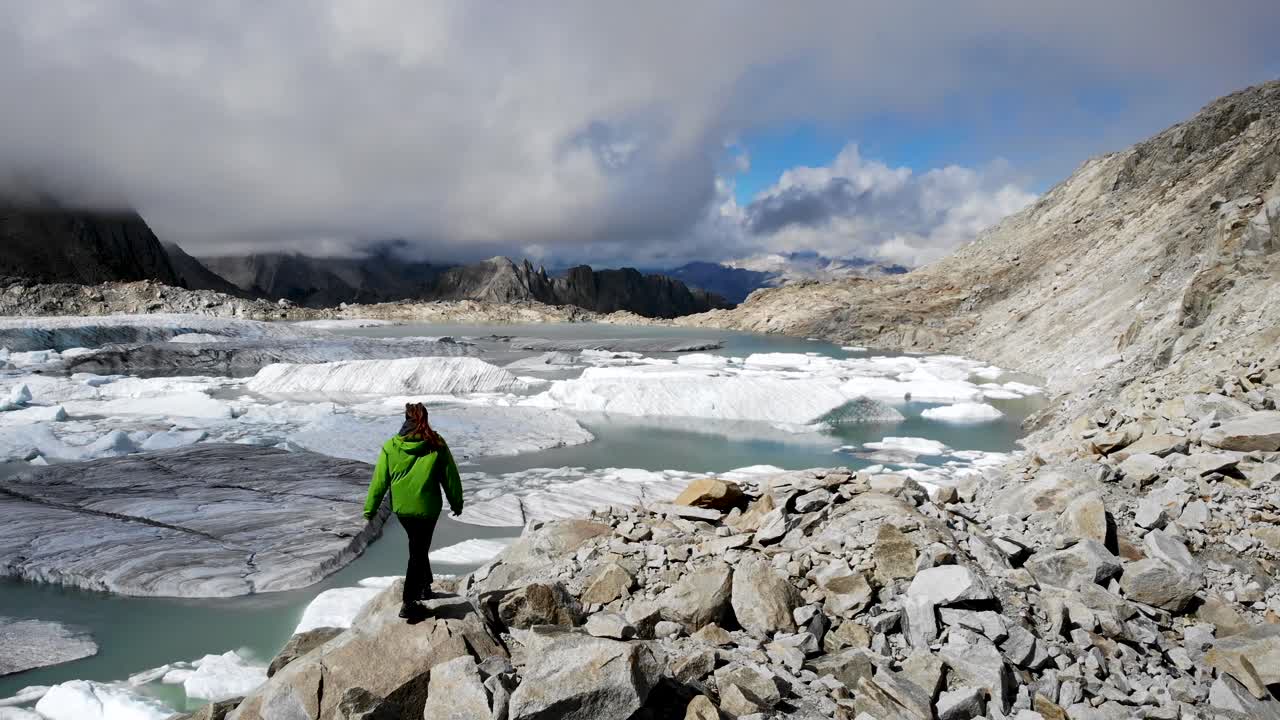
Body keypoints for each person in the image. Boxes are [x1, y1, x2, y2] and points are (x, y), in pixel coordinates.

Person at [363, 402, 464, 620]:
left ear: (405, 419)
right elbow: (450, 476)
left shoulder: (391, 446)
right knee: (418, 551)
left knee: (417, 546)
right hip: (428, 508)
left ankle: (425, 587)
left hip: (403, 510)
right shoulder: (436, 443)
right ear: (425, 418)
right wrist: (456, 503)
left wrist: (370, 509)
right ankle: (409, 602)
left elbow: (379, 481)